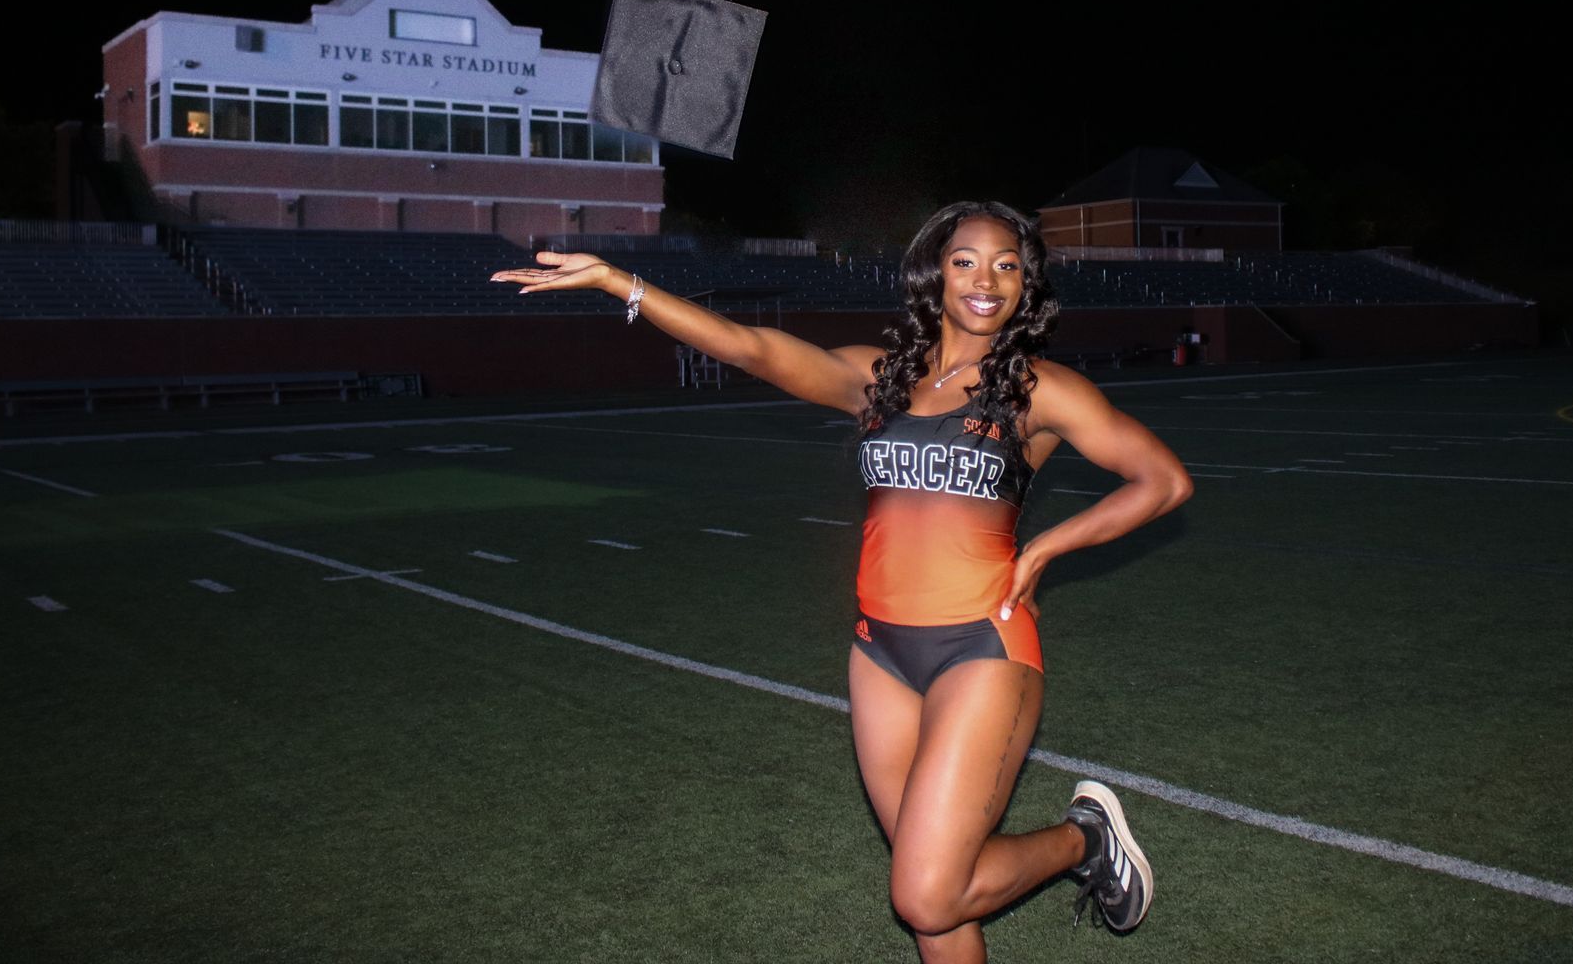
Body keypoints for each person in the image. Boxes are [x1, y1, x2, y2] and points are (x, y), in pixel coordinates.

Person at [494, 200, 1193, 963]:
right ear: (937, 272)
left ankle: (1081, 839)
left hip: (982, 649)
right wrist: (618, 282)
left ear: (1026, 284)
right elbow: (750, 346)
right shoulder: (878, 377)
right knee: (938, 910)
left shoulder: (1041, 388)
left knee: (926, 890)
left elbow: (1161, 481)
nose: (986, 279)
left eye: (1007, 265)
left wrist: (1048, 547)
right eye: (966, 261)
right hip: (880, 653)